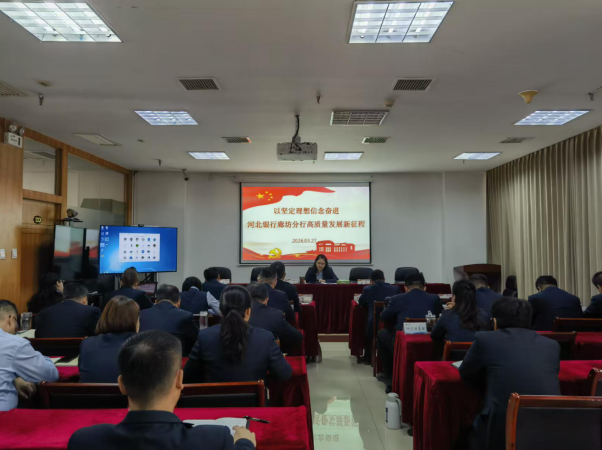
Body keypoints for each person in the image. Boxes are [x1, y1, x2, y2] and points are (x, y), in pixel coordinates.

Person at [68, 330, 256, 450]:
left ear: (121, 384)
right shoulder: (215, 439)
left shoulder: (84, 441)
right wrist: (245, 443)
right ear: (179, 380)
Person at [460, 297, 561, 450]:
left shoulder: (485, 339)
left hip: (501, 423)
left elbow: (466, 372)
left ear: (494, 321)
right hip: (549, 422)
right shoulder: (552, 345)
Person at [183, 286, 292, 384]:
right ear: (248, 312)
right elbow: (284, 374)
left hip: (214, 400)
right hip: (254, 400)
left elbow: (187, 377)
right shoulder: (265, 338)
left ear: (221, 311)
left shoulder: (204, 337)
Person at [376, 273, 442, 389]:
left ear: (405, 288)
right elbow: (440, 316)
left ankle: (389, 376)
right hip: (430, 345)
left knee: (382, 333)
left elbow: (383, 317)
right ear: (424, 287)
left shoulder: (396, 299)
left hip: (404, 345)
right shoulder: (434, 298)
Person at [0, 300, 58, 411]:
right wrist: (38, 355)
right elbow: (50, 375)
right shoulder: (14, 344)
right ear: (11, 319)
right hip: (4, 417)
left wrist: (14, 378)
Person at [79, 296, 140, 383]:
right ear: (135, 320)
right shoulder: (144, 345)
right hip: (128, 392)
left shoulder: (87, 344)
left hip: (90, 392)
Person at [139, 285, 199, 356]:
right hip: (172, 359)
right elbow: (197, 338)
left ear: (156, 301)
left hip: (144, 358)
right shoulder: (185, 316)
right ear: (179, 302)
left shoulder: (142, 314)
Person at [246, 282, 303, 355]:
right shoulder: (276, 315)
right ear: (266, 300)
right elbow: (297, 337)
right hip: (268, 357)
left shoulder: (237, 313)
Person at [358, 270, 401, 363]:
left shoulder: (367, 289)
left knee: (368, 326)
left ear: (371, 281)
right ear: (384, 279)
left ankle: (368, 358)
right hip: (392, 323)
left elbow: (361, 302)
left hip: (374, 324)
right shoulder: (395, 289)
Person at [35, 283, 101, 338]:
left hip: (46, 350)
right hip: (78, 349)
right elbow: (97, 337)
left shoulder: (41, 314)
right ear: (85, 300)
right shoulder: (92, 311)